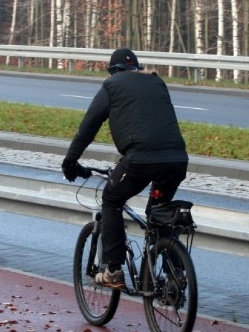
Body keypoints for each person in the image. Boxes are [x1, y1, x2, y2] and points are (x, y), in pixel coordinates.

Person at [62, 48, 188, 289]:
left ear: (112, 71)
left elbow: (88, 127)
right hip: (176, 160)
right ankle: (176, 272)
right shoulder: (156, 82)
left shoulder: (111, 86)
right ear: (136, 68)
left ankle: (113, 269)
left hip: (140, 161)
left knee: (111, 200)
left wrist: (70, 161)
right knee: (158, 213)